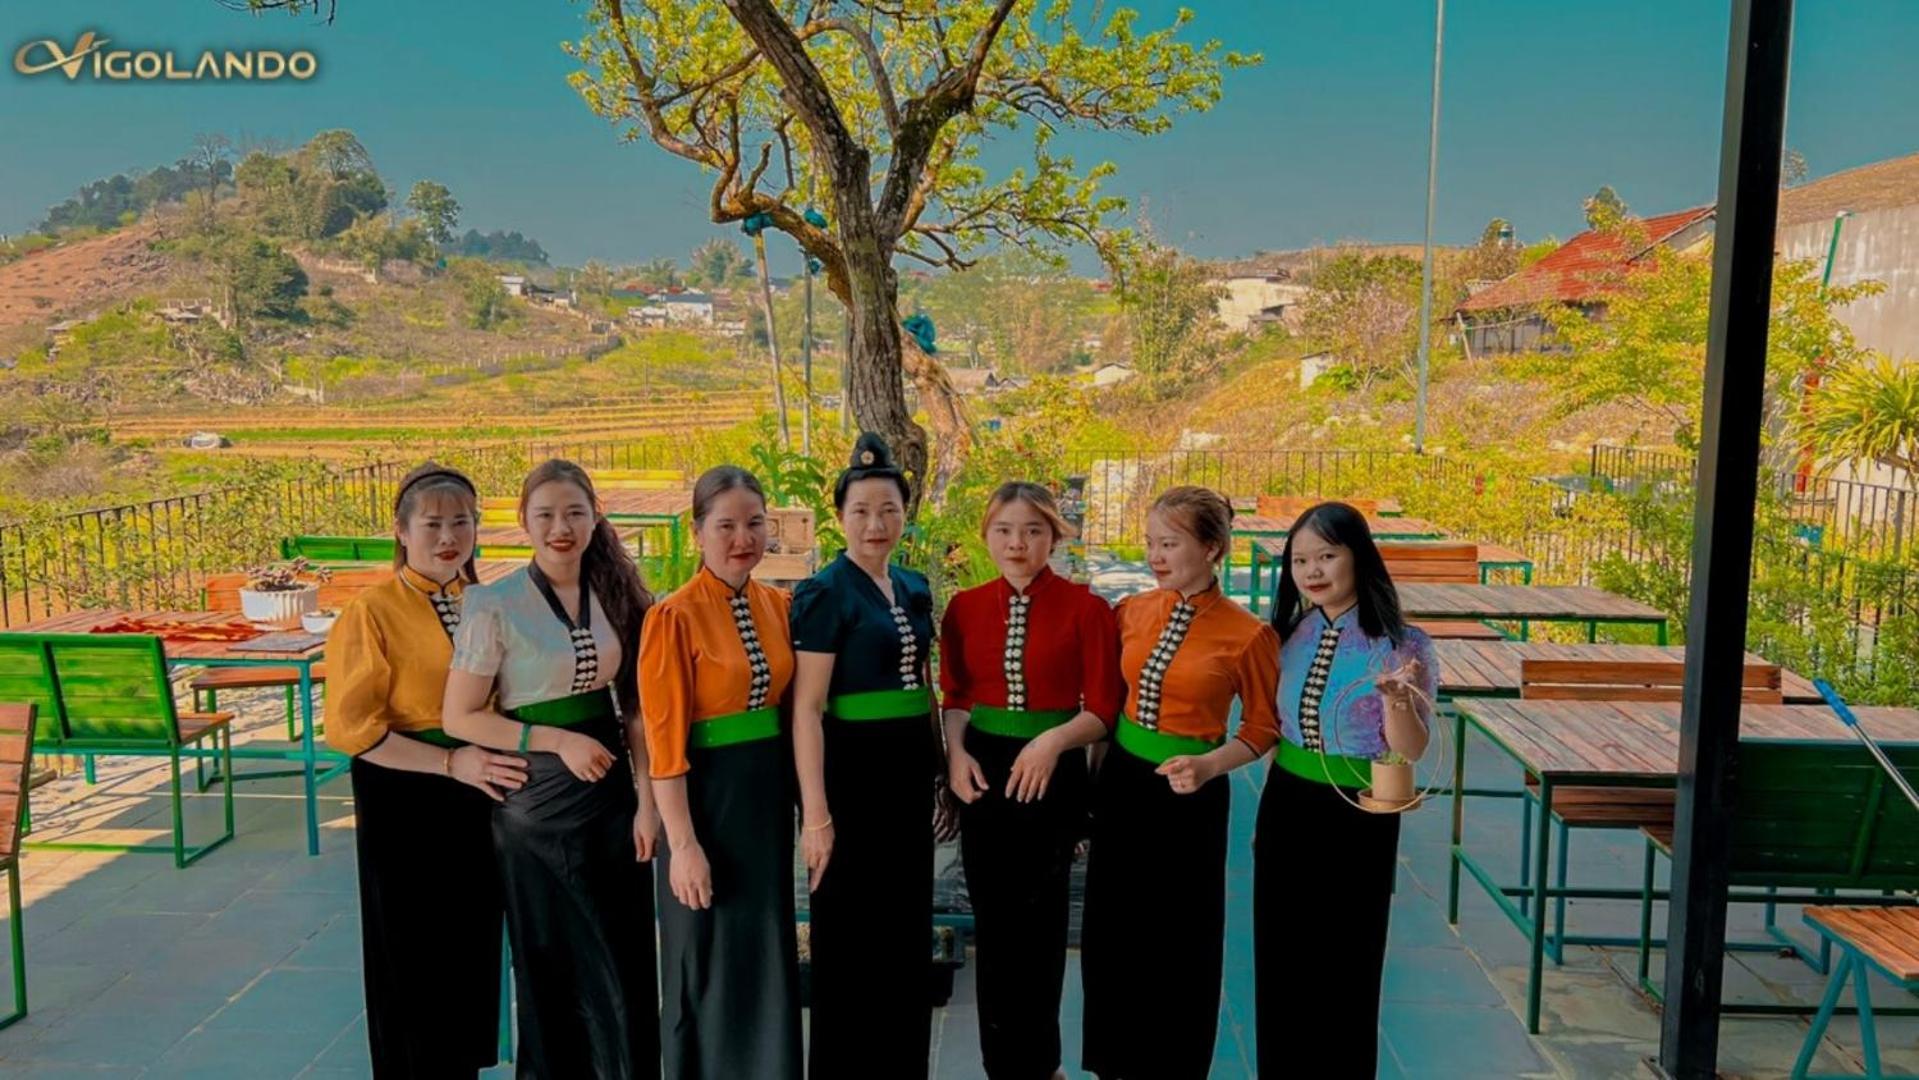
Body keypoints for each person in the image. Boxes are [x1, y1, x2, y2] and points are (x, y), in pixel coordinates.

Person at [442, 459, 662, 1080]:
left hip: (611, 796)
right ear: (523, 521)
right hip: (535, 803)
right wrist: (554, 740)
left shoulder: (618, 594)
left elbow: (636, 712)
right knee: (550, 960)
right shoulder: (493, 603)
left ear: (595, 518)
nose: (560, 528)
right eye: (545, 515)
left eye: (574, 513)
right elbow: (459, 716)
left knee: (620, 951)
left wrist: (647, 804)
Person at [325, 462, 522, 1078]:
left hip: (477, 786)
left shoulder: (485, 601)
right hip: (405, 790)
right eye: (432, 524)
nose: (448, 537)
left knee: (469, 942)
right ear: (401, 530)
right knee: (410, 948)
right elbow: (355, 729)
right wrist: (448, 762)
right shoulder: (372, 611)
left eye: (461, 522)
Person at [1080, 485, 1282, 1080]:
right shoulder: (1131, 611)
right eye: (1150, 542)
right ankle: (1113, 1063)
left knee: (1181, 939)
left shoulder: (1247, 634)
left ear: (1213, 548)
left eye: (1169, 544)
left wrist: (1210, 765)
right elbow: (1106, 702)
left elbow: (1263, 726)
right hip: (1122, 784)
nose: (1155, 556)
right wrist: (1091, 785)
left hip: (1190, 796)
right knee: (1112, 929)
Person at [940, 482, 1121, 1080]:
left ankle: (1043, 1065)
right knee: (993, 923)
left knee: (1042, 925)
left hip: (1053, 771)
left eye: (1032, 531)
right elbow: (956, 696)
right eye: (1004, 531)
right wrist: (956, 754)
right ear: (986, 535)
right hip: (983, 772)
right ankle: (1002, 1066)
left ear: (1053, 537)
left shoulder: (1087, 609)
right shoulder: (964, 608)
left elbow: (1103, 709)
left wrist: (1053, 741)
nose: (1017, 543)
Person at [1257, 501, 1437, 1079]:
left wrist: (1397, 702)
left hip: (1358, 814)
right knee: (1282, 957)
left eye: (1327, 556)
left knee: (1348, 963)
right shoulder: (1289, 634)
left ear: (1359, 557)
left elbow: (1412, 750)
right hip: (1286, 805)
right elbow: (1276, 730)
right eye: (1300, 560)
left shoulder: (1403, 643)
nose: (1312, 571)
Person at [638, 465, 803, 1079]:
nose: (743, 539)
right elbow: (664, 744)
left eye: (755, 524)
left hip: (764, 800)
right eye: (726, 525)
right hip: (705, 799)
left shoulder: (778, 606)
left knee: (763, 943)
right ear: (697, 531)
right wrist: (682, 844)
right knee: (702, 948)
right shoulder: (673, 617)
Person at [789, 432, 940, 1078]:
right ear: (839, 517)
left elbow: (925, 688)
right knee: (850, 936)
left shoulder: (912, 586)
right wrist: (816, 815)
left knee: (904, 930)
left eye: (889, 510)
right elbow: (807, 709)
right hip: (852, 779)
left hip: (908, 778)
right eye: (861, 511)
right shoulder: (825, 593)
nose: (876, 524)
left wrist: (939, 772)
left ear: (906, 514)